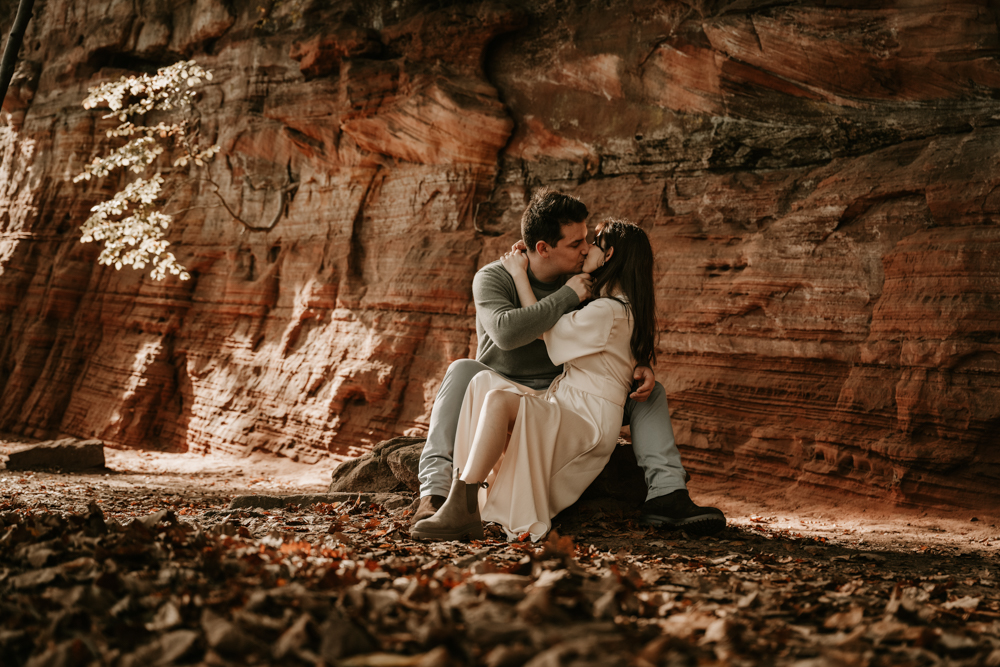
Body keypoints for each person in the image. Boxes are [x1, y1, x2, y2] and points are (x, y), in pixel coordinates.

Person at [412, 190, 725, 536]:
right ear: (544, 248)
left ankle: (668, 493)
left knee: (649, 391)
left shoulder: (586, 281)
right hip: (506, 382)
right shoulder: (498, 277)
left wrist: (640, 364)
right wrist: (568, 296)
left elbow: (612, 333)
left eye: (587, 241)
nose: (585, 249)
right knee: (461, 370)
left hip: (564, 392)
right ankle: (436, 492)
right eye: (576, 244)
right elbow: (506, 333)